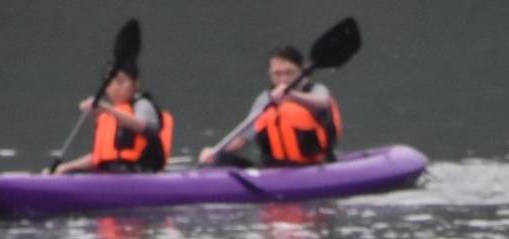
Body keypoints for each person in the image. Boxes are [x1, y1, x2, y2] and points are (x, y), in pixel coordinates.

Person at [198, 45, 342, 168]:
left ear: (301, 71)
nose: (283, 79)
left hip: (315, 166)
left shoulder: (316, 91)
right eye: (277, 74)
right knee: (220, 160)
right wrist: (214, 153)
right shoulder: (265, 100)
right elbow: (241, 140)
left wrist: (292, 95)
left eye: (289, 72)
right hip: (273, 169)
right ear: (270, 74)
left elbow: (323, 104)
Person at [52, 60, 174, 175]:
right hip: (113, 174)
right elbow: (98, 157)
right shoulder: (108, 115)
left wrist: (108, 109)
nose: (115, 88)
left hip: (142, 173)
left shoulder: (142, 104)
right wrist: (66, 167)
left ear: (135, 84)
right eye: (110, 83)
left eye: (121, 82)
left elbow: (144, 126)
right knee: (66, 171)